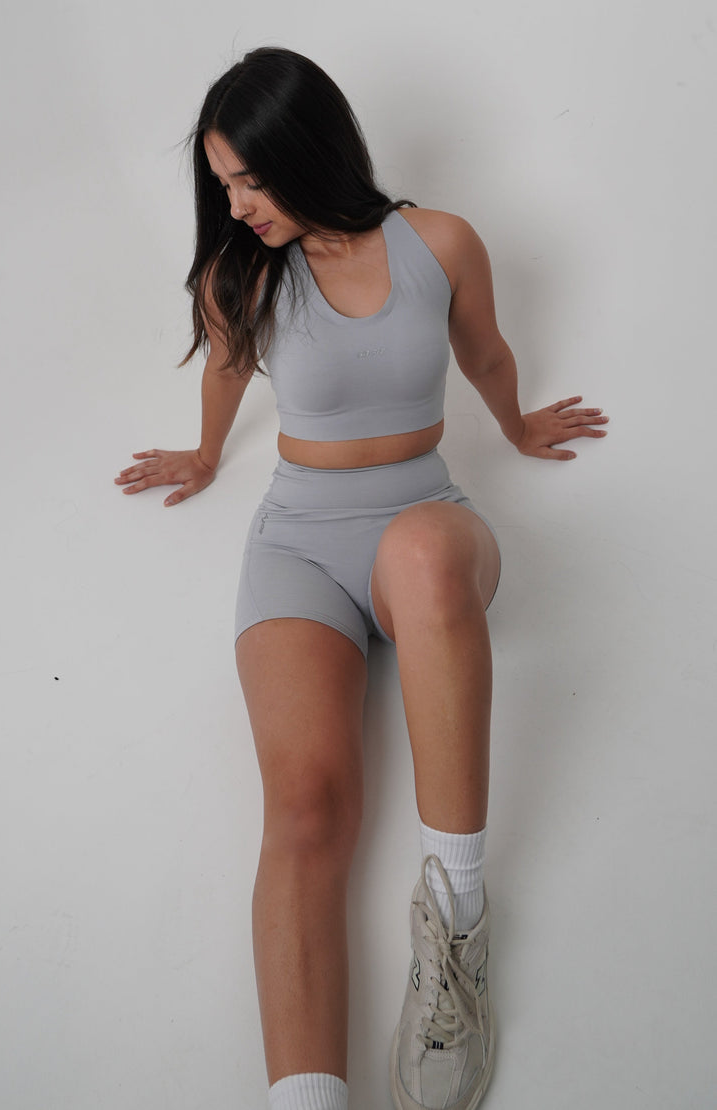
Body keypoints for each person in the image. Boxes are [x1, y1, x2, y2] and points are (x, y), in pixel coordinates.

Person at [115, 47, 607, 1110]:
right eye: (223, 185)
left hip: (424, 522)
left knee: (421, 554)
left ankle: (457, 924)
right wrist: (204, 456)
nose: (236, 206)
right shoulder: (243, 271)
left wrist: (518, 427)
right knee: (302, 814)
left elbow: (484, 353)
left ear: (310, 151)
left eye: (252, 179)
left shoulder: (439, 243)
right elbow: (227, 370)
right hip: (298, 542)